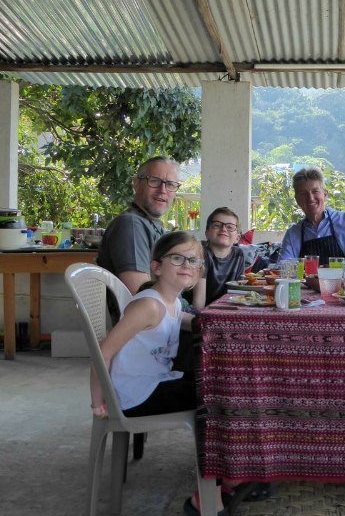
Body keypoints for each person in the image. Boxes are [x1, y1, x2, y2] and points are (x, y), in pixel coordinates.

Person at [88, 231, 226, 516]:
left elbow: (187, 321)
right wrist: (98, 402)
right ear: (156, 266)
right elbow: (104, 351)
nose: (187, 265)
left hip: (156, 383)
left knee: (222, 384)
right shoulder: (148, 305)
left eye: (194, 261)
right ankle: (211, 495)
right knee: (218, 399)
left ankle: (224, 481)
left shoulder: (173, 302)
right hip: (137, 395)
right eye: (177, 258)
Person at [98, 156, 181, 321]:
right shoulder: (131, 225)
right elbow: (140, 295)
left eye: (170, 184)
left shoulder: (151, 224)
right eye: (154, 181)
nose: (163, 190)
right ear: (136, 183)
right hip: (142, 332)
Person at [279, 167, 345, 271]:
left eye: (315, 191)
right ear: (297, 200)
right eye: (303, 194)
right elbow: (283, 267)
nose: (310, 198)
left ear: (325, 194)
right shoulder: (293, 234)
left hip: (343, 286)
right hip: (306, 287)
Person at [188, 207, 247, 308]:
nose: (223, 229)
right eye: (217, 225)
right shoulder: (201, 253)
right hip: (195, 310)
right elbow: (198, 302)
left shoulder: (239, 254)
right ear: (207, 233)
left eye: (230, 227)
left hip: (222, 308)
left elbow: (238, 292)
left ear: (237, 238)